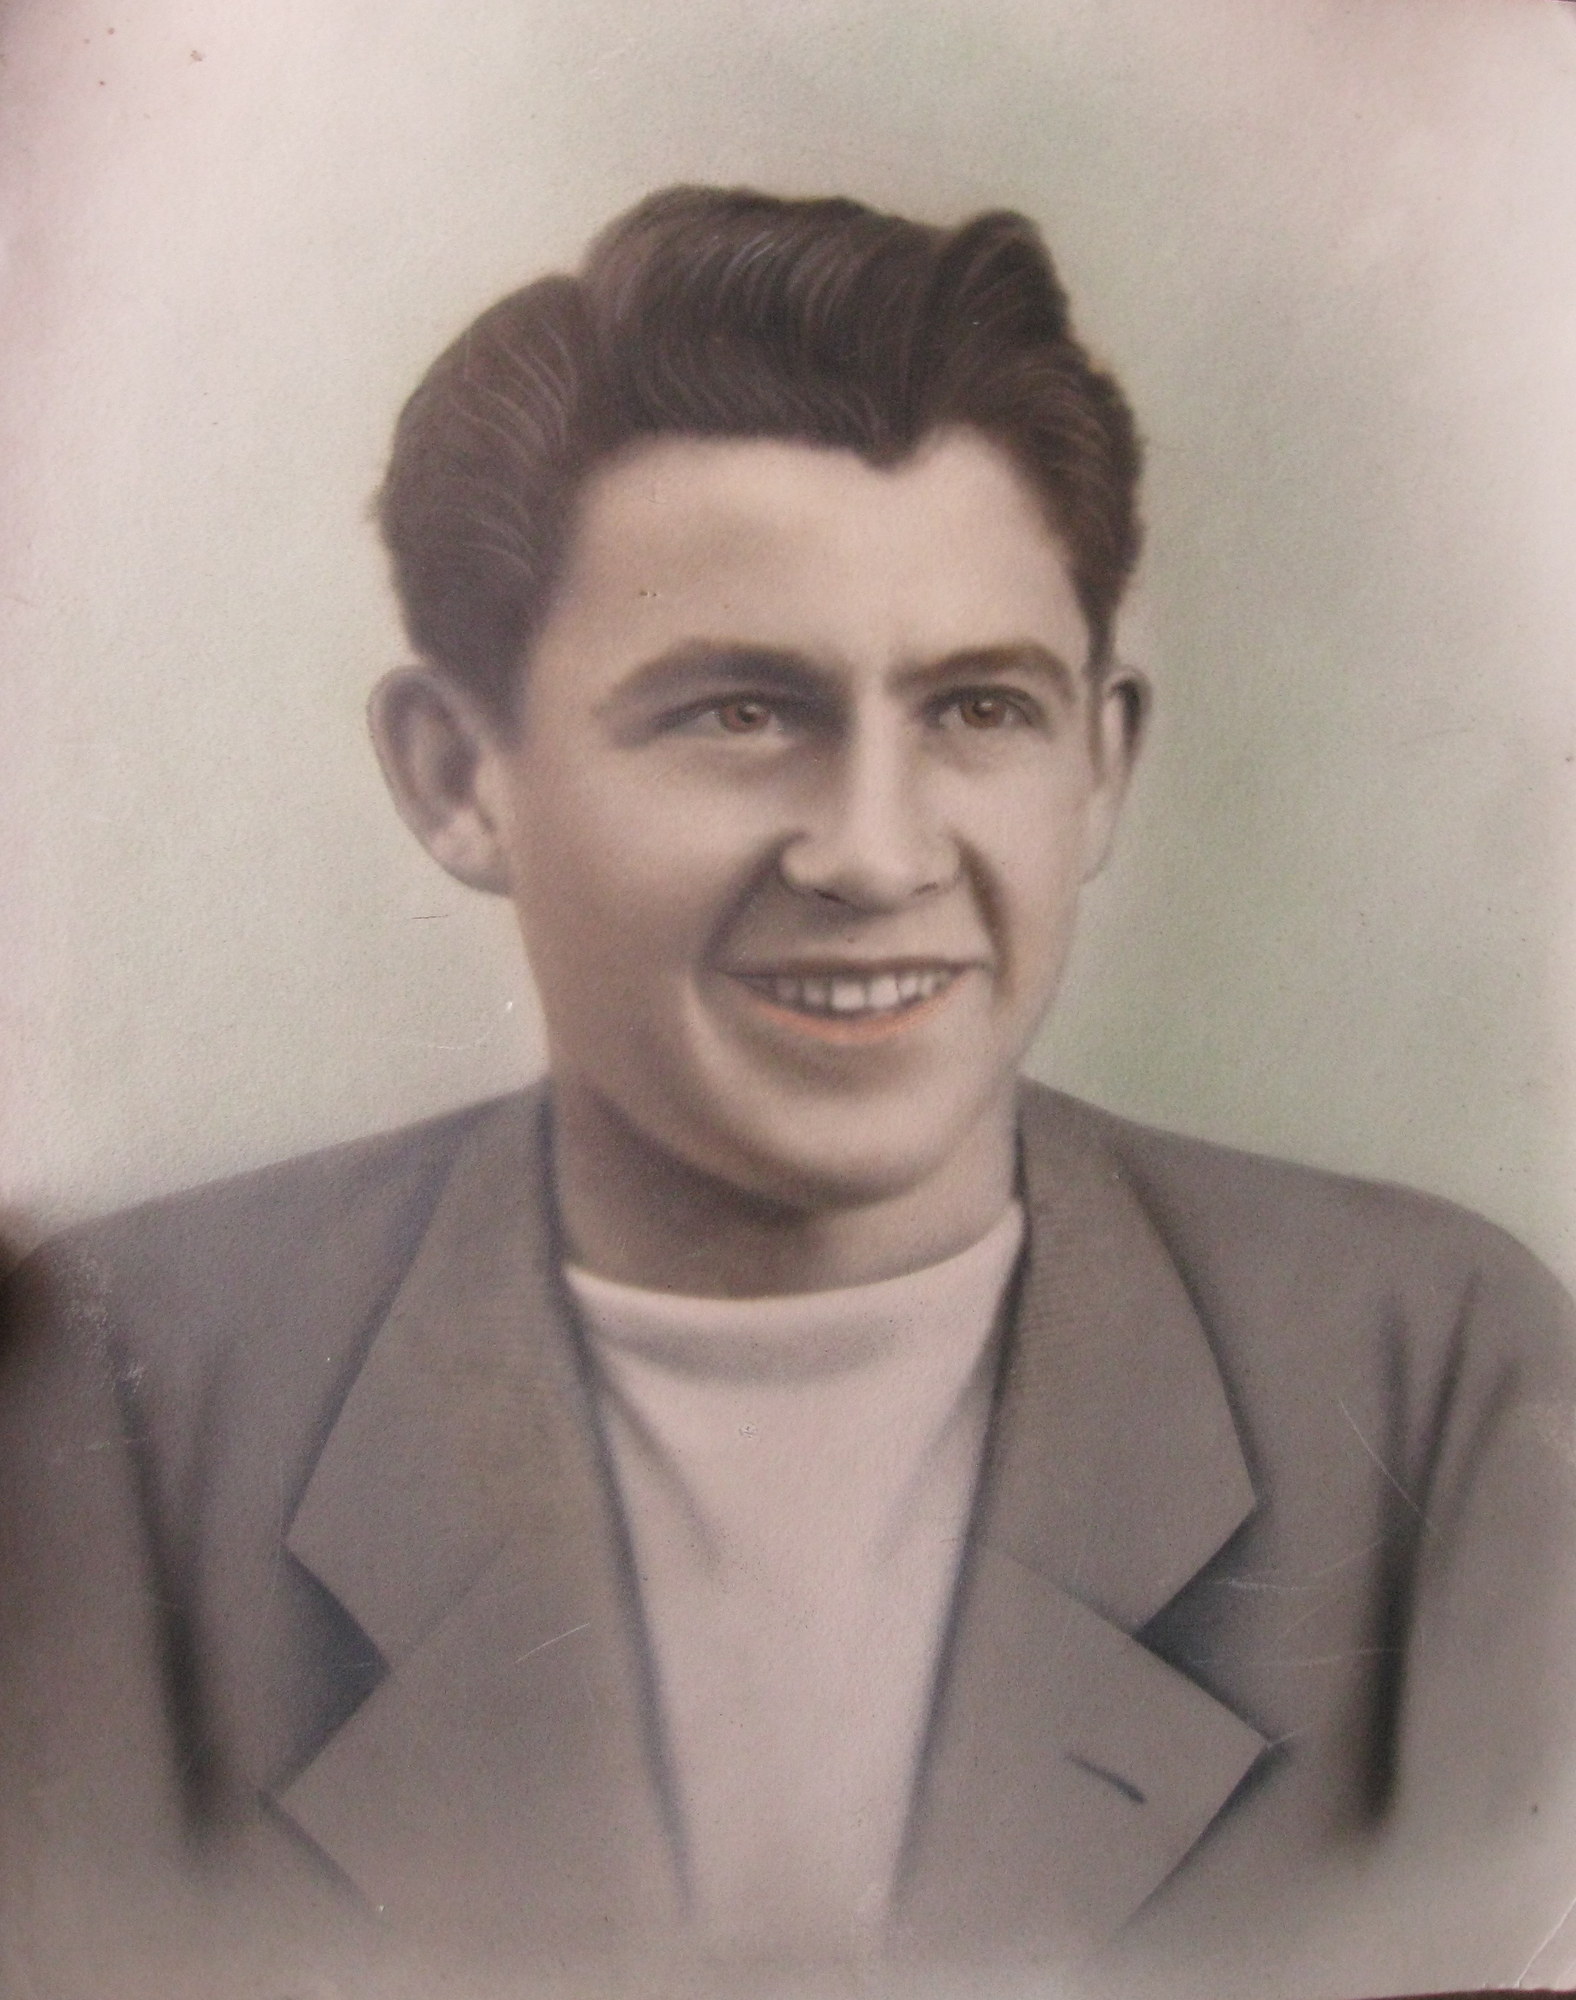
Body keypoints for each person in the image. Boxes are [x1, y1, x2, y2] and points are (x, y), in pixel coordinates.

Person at [4, 185, 1576, 2000]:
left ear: (1102, 763)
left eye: (979, 709)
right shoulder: (106, 1410)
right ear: (456, 778)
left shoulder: (1442, 1384)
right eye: (738, 712)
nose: (875, 853)